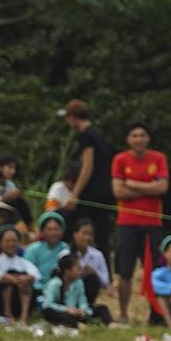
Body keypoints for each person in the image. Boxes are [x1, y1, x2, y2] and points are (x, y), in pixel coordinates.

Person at [111, 123, 170, 324]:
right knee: (125, 271)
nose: (138, 139)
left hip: (152, 223)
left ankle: (155, 315)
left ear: (148, 138)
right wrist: (148, 188)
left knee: (154, 270)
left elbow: (162, 188)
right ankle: (123, 314)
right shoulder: (120, 159)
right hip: (126, 223)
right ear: (128, 139)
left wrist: (134, 184)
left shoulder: (158, 158)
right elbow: (118, 191)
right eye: (134, 135)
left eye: (142, 135)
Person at [61, 99, 115, 251]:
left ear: (72, 117)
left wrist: (75, 194)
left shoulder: (86, 136)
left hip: (92, 193)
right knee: (101, 234)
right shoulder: (98, 134)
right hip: (105, 191)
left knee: (75, 226)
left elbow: (87, 166)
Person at [0, 228, 41, 325]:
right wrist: (13, 279)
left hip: (18, 298)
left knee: (25, 280)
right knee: (9, 279)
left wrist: (25, 278)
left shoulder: (22, 261)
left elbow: (36, 274)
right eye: (7, 241)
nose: (11, 244)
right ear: (0, 243)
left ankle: (23, 316)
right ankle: (7, 314)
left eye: (14, 241)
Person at [68, 217, 111, 309]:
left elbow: (105, 282)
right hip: (69, 293)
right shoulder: (65, 254)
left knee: (92, 279)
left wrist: (94, 271)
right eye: (83, 234)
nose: (87, 238)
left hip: (88, 290)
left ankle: (87, 306)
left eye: (90, 234)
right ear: (75, 234)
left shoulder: (98, 255)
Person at [23, 211, 72, 284]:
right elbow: (27, 272)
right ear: (42, 231)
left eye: (56, 229)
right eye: (49, 229)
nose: (53, 233)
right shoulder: (33, 249)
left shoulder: (67, 249)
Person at [0, 154, 33, 228]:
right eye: (9, 167)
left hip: (6, 210)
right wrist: (6, 196)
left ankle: (28, 225)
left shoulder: (9, 183)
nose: (12, 171)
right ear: (0, 167)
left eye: (14, 168)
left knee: (20, 202)